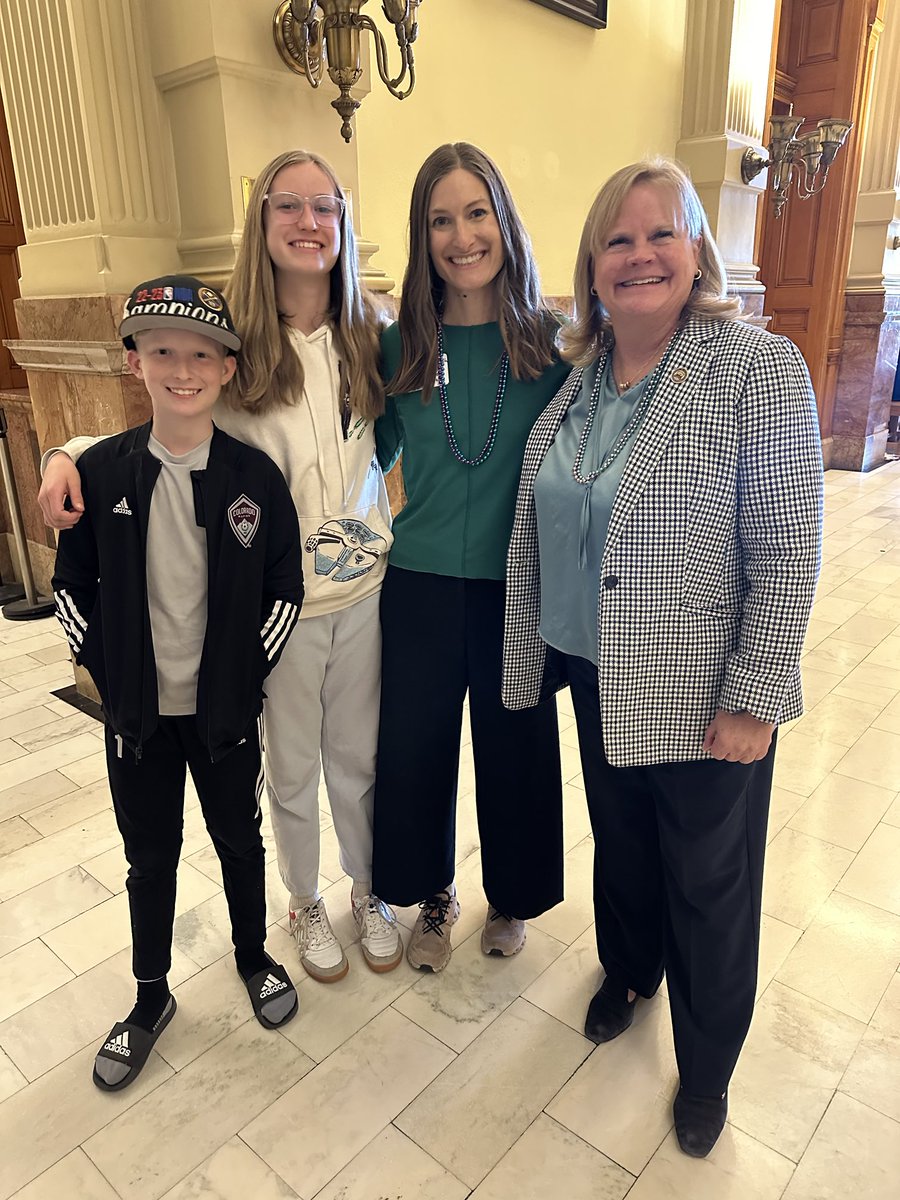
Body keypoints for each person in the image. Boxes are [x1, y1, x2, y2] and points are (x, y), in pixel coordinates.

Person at [502, 158, 823, 1156]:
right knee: (626, 846)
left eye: (660, 235)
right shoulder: (579, 382)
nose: (638, 255)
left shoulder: (754, 370)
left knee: (709, 881)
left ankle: (709, 1062)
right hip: (598, 673)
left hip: (704, 696)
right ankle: (630, 970)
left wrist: (757, 695)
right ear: (592, 266)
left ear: (697, 253)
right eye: (617, 239)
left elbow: (783, 547)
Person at [38, 150, 403, 983]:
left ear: (344, 222)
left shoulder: (369, 333)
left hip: (365, 590)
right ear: (261, 221)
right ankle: (304, 898)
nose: (309, 223)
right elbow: (170, 421)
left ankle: (368, 889)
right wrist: (68, 450)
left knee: (359, 757)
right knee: (294, 765)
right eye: (288, 206)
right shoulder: (237, 338)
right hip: (279, 606)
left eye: (326, 207)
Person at [52, 276, 303, 1090]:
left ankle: (253, 954)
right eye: (162, 351)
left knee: (240, 840)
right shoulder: (103, 474)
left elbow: (283, 591)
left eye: (201, 355)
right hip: (137, 718)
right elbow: (70, 584)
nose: (182, 369)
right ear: (136, 362)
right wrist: (108, 673)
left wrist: (242, 676)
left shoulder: (253, 480)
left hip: (223, 716)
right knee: (148, 854)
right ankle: (150, 995)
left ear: (228, 368)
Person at [372, 142, 569, 973]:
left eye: (476, 213)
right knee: (414, 748)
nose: (461, 237)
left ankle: (514, 896)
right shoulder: (397, 349)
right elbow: (358, 457)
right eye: (441, 220)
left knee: (515, 747)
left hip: (513, 588)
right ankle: (429, 894)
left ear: (503, 221)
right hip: (416, 584)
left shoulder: (552, 346)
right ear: (425, 238)